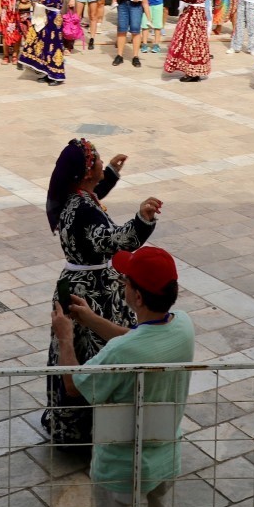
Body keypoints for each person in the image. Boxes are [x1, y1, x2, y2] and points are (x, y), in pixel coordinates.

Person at [50, 245, 193, 507]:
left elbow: (74, 384)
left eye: (126, 280)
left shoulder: (121, 351)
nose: (122, 282)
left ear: (137, 296)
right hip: (164, 455)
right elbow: (140, 338)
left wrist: (65, 336)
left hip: (122, 469)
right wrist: (90, 319)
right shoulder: (182, 325)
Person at [41, 139, 157, 446]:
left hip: (75, 281)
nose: (101, 163)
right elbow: (118, 240)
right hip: (93, 292)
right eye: (97, 162)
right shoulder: (83, 211)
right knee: (97, 351)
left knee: (70, 346)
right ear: (84, 173)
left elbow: (92, 200)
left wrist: (110, 174)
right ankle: (92, 429)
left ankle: (71, 421)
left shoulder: (72, 197)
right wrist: (143, 219)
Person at [163, 0, 212, 82]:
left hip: (193, 16)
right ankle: (194, 72)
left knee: (189, 43)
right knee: (196, 43)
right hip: (198, 14)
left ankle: (191, 72)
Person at [18, 0, 67, 86]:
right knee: (44, 45)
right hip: (44, 17)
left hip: (53, 18)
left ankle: (57, 75)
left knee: (54, 46)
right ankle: (47, 72)